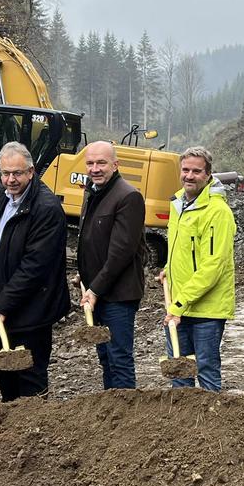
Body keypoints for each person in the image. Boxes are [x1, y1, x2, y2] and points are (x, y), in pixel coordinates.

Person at [0, 141, 69, 401]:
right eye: (5, 173)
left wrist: (3, 305)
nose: (10, 179)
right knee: (4, 373)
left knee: (29, 376)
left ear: (31, 172)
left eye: (17, 173)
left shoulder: (46, 209)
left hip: (32, 309)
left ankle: (34, 432)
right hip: (1, 306)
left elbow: (35, 266)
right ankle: (10, 430)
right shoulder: (2, 196)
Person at [162, 146, 236, 391]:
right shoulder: (178, 204)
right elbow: (184, 249)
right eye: (185, 170)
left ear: (208, 174)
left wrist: (179, 305)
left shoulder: (218, 212)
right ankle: (183, 425)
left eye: (196, 171)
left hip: (206, 310)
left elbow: (212, 266)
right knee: (180, 372)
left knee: (206, 371)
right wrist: (168, 268)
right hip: (180, 306)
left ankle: (210, 427)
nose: (189, 176)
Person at [77, 141, 147, 389]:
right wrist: (84, 276)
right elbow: (91, 239)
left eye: (101, 163)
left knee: (119, 358)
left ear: (115, 165)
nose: (95, 168)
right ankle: (110, 410)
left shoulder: (128, 196)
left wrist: (94, 289)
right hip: (98, 291)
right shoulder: (93, 192)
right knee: (105, 357)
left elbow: (121, 252)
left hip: (118, 295)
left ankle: (126, 415)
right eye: (90, 163)